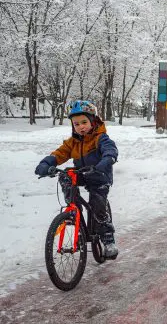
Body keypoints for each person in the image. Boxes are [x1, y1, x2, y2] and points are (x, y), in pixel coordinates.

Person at [35, 100, 119, 259]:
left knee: (98, 205)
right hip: (83, 173)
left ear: (93, 121)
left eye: (84, 122)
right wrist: (46, 163)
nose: (81, 126)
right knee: (66, 175)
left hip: (100, 176)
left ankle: (108, 240)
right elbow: (59, 154)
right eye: (76, 124)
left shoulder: (100, 138)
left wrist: (105, 162)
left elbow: (110, 151)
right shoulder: (72, 142)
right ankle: (74, 211)